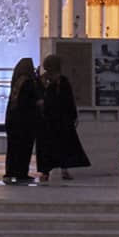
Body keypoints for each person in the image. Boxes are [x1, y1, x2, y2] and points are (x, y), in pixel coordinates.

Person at [36, 53, 90, 182]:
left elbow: (66, 99)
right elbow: (68, 100)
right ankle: (54, 171)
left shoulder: (56, 81)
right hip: (55, 120)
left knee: (57, 146)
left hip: (55, 120)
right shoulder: (52, 81)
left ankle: (52, 171)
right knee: (56, 146)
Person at [4, 57, 41, 185]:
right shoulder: (28, 82)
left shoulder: (18, 81)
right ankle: (21, 173)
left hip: (14, 120)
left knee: (13, 148)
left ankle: (11, 172)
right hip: (24, 121)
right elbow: (28, 102)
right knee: (24, 148)